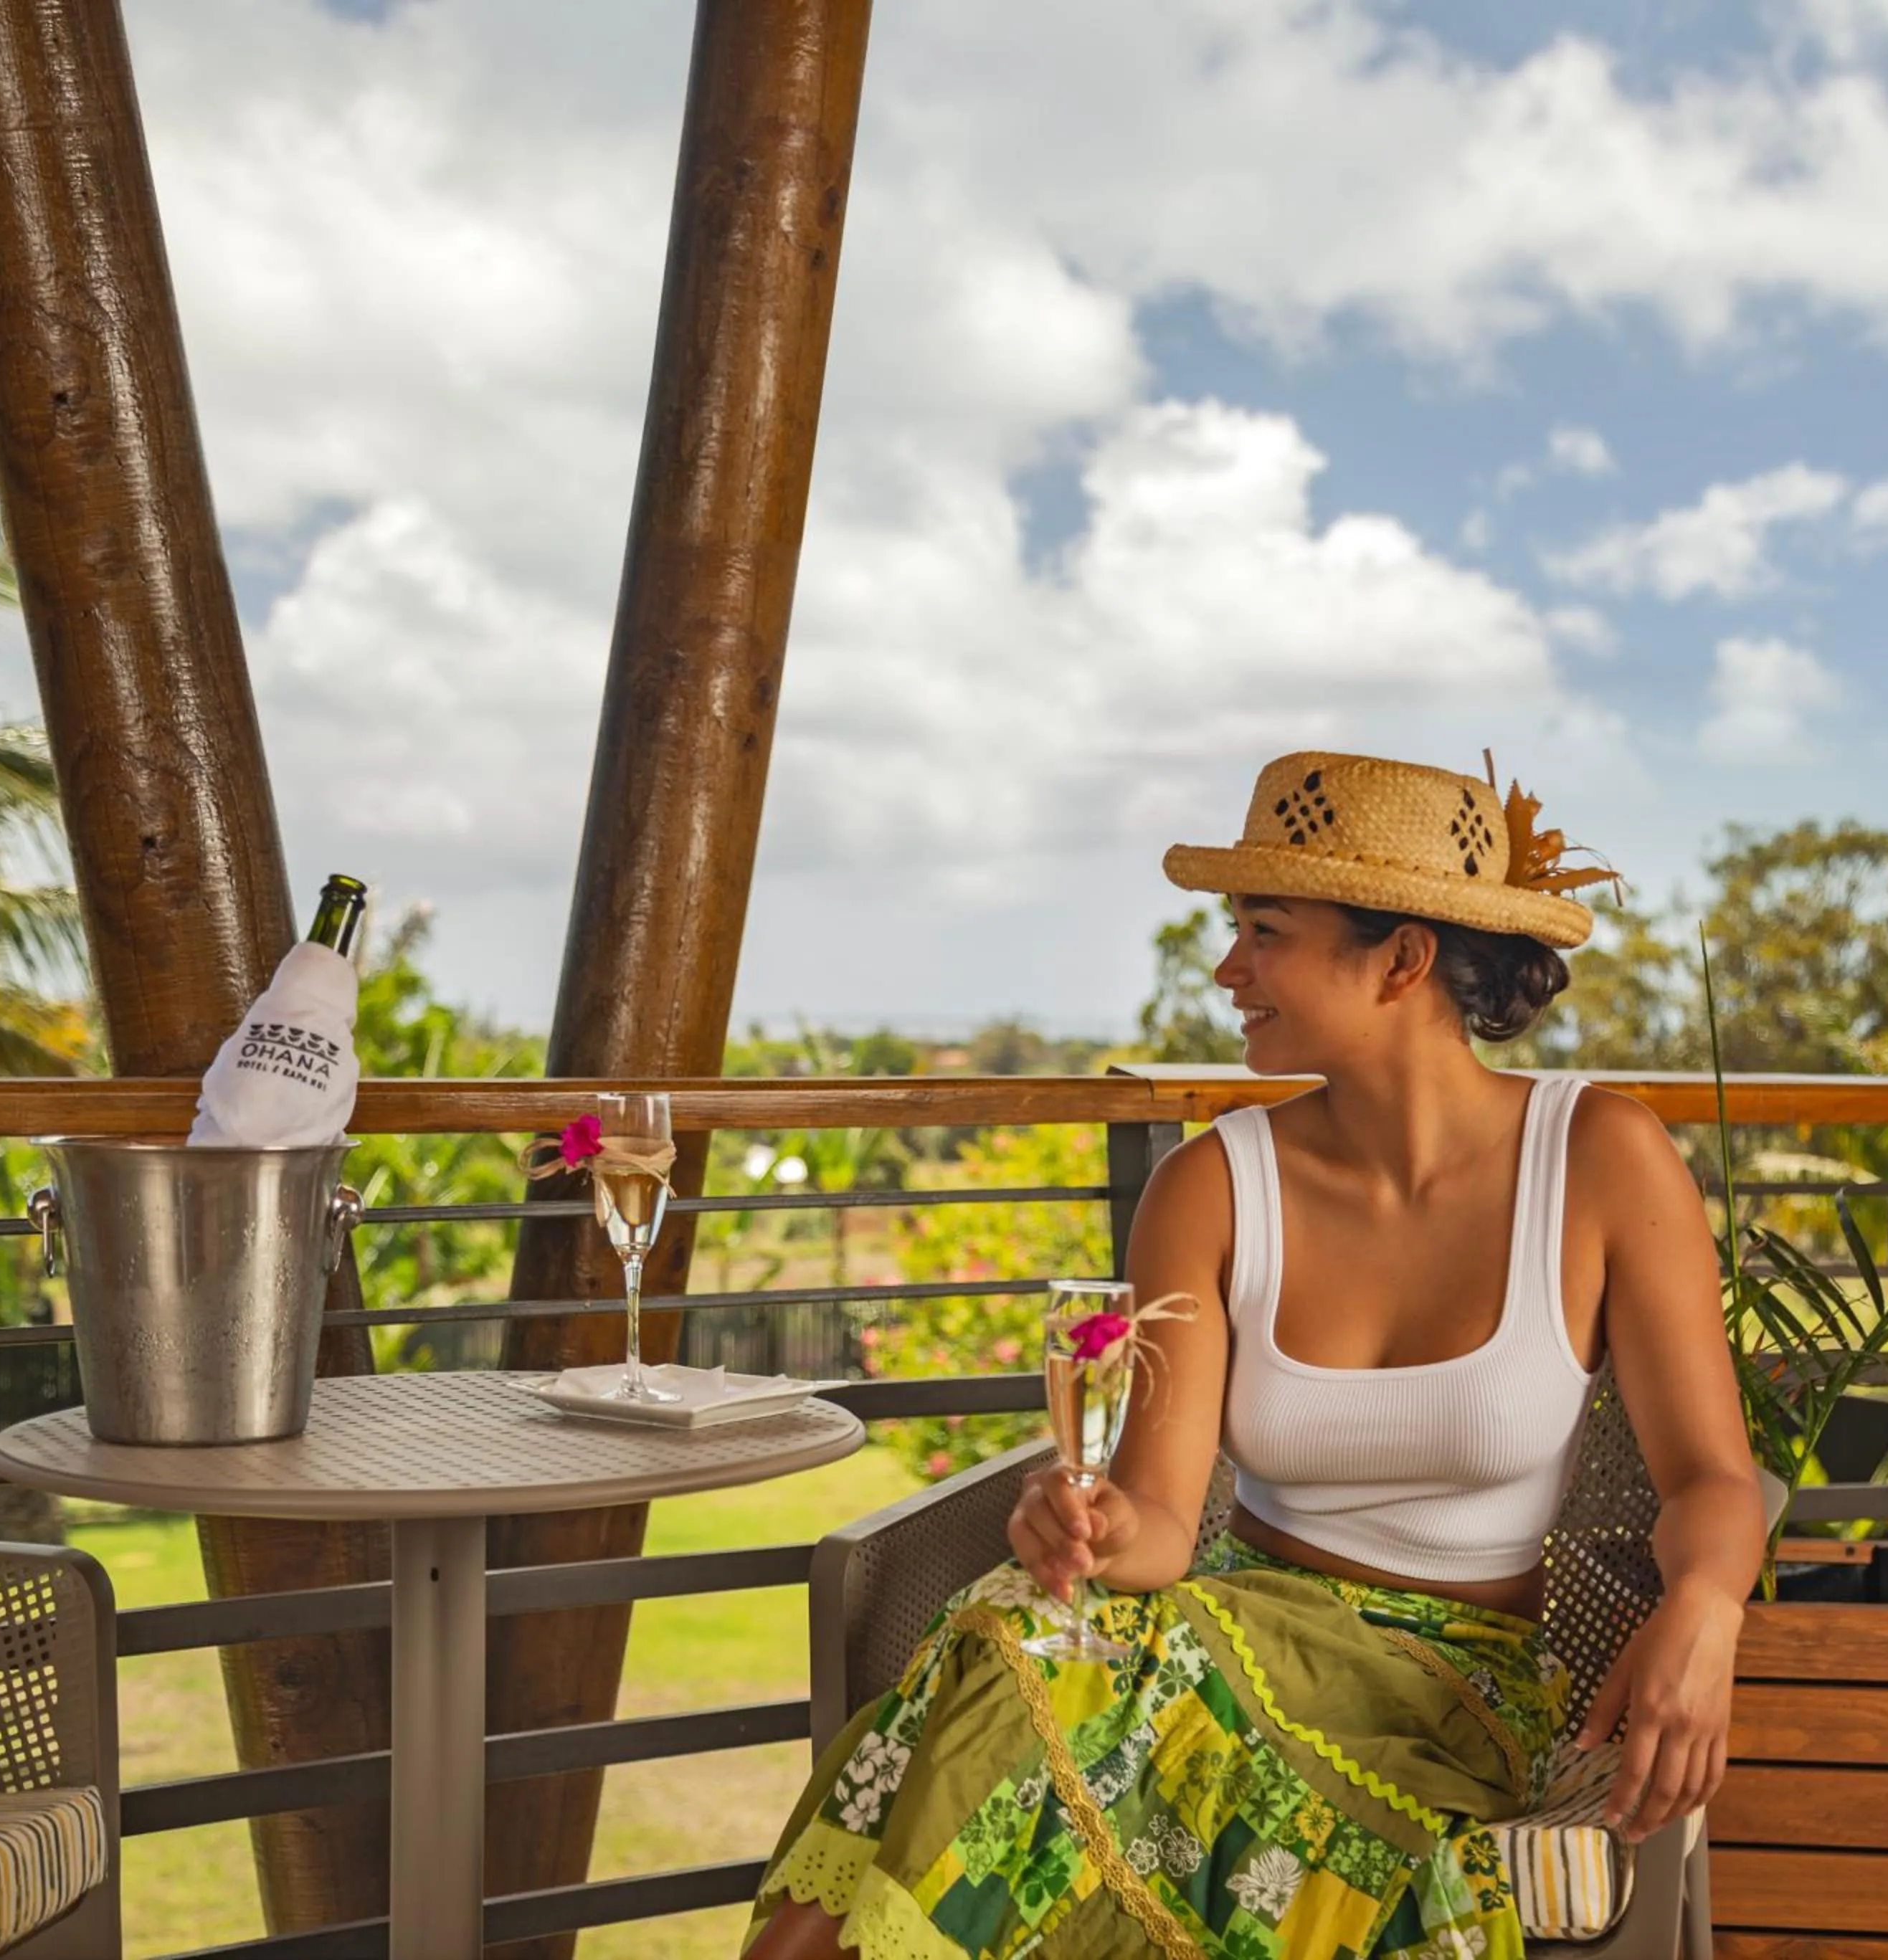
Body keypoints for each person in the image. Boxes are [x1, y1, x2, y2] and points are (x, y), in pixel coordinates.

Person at [746, 751, 1768, 1959]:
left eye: (1265, 931)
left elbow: (1711, 1474)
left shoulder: (1598, 1157)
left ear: (1402, 958)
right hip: (1226, 1627)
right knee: (1015, 1626)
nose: (1228, 969)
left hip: (1449, 1700)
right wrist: (1084, 1523)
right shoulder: (1209, 1186)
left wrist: (1707, 1604)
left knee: (1026, 1675)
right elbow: (1162, 1519)